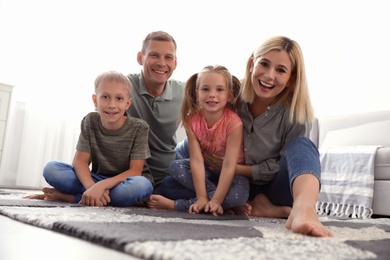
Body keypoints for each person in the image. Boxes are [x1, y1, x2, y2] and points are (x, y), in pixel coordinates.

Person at [161, 36, 333, 237]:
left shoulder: (296, 115)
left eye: (280, 70)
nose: (269, 76)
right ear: (252, 64)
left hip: (270, 187)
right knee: (168, 186)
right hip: (227, 183)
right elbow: (200, 128)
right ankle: (241, 206)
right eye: (264, 64)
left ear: (291, 80)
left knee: (303, 144)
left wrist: (235, 167)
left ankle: (304, 210)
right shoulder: (230, 93)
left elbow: (282, 165)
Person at [25, 71, 153, 207]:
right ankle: (95, 197)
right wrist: (92, 187)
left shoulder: (139, 127)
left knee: (141, 185)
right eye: (105, 97)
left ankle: (72, 198)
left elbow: (135, 171)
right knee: (51, 169)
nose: (112, 104)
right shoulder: (90, 121)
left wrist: (101, 187)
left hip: (125, 182)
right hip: (96, 179)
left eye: (119, 99)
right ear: (95, 100)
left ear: (128, 103)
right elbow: (80, 161)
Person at [147, 65, 249, 216]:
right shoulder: (191, 120)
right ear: (197, 94)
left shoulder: (234, 123)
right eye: (205, 89)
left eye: (219, 90)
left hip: (232, 175)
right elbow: (196, 161)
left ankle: (177, 205)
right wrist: (202, 197)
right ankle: (216, 204)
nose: (212, 95)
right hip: (206, 173)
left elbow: (229, 166)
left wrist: (217, 200)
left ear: (229, 95)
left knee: (238, 196)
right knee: (172, 174)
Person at [127, 31, 184, 194]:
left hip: (168, 177)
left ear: (175, 62)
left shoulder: (185, 92)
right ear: (140, 58)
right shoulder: (124, 88)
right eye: (154, 55)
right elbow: (98, 126)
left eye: (168, 57)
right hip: (131, 176)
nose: (161, 63)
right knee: (55, 172)